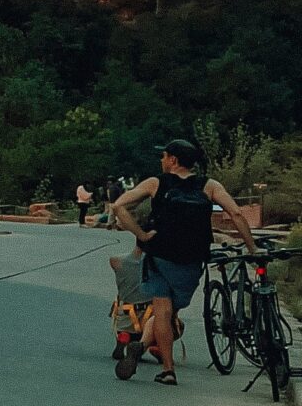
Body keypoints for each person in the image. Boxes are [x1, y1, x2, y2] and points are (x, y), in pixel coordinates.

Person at [111, 139, 259, 385]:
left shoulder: (155, 183)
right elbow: (236, 213)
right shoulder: (209, 185)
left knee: (162, 310)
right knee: (171, 312)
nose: (161, 161)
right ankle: (146, 346)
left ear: (172, 160)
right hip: (191, 261)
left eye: (164, 156)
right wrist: (252, 247)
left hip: (159, 256)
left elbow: (119, 206)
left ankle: (167, 370)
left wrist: (142, 234)